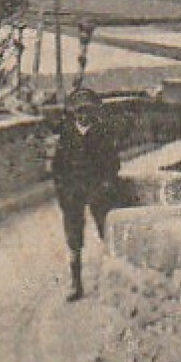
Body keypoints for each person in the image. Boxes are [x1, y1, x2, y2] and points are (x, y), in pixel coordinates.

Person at [50, 88, 121, 302]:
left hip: (97, 189)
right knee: (73, 238)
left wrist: (106, 184)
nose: (83, 115)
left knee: (105, 232)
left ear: (94, 112)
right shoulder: (67, 134)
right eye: (79, 110)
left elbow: (113, 163)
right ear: (74, 113)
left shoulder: (102, 133)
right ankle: (76, 284)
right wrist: (63, 191)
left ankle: (111, 280)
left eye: (88, 110)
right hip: (73, 192)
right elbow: (57, 167)